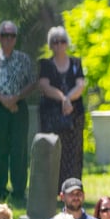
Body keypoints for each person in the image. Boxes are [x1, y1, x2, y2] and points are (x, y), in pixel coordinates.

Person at [0, 21, 35, 206]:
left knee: (19, 149)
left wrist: (16, 97)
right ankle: (0, 189)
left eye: (12, 36)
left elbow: (32, 82)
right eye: (5, 35)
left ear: (16, 39)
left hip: (19, 108)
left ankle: (19, 191)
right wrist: (4, 99)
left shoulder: (23, 59)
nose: (8, 39)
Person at [38, 26, 86, 185]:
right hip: (51, 115)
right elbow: (44, 86)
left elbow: (80, 85)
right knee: (54, 152)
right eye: (55, 42)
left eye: (62, 41)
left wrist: (68, 100)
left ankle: (72, 188)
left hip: (74, 114)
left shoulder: (76, 63)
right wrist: (63, 99)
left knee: (73, 153)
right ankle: (54, 187)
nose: (59, 45)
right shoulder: (46, 64)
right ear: (50, 44)